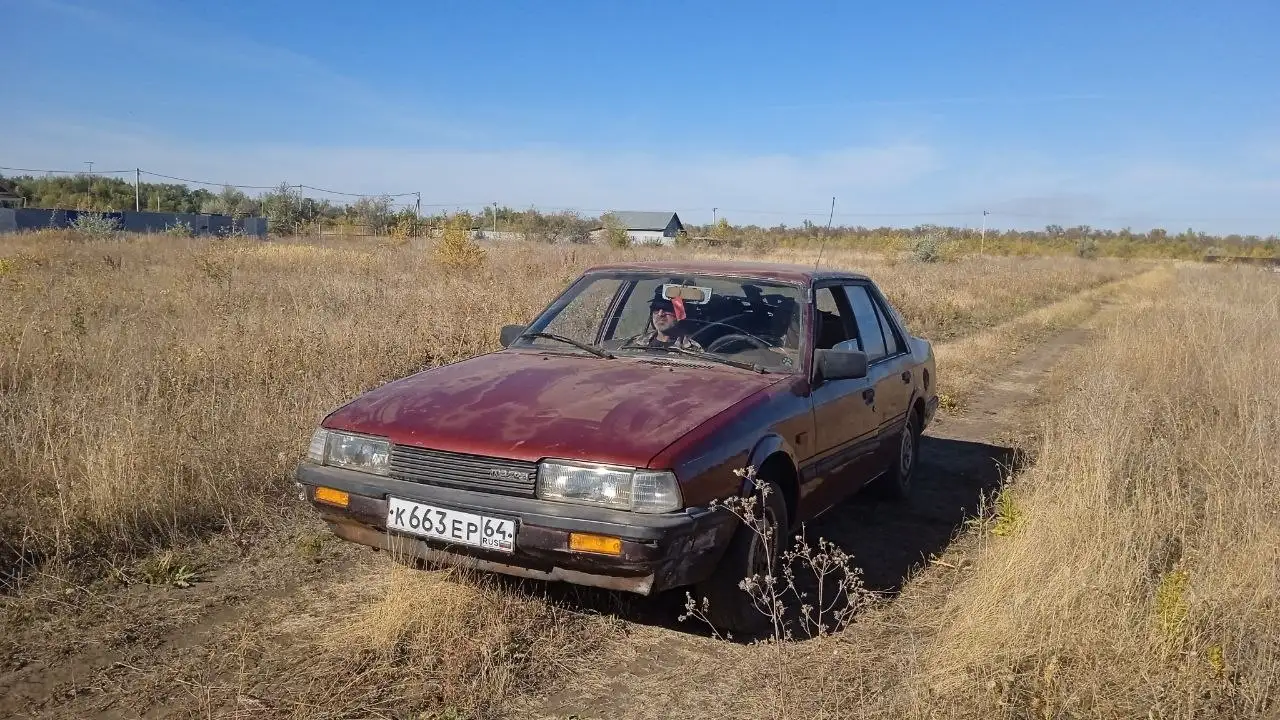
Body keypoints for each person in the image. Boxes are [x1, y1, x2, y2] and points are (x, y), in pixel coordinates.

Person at [622, 293, 704, 350]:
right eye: (656, 309)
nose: (660, 314)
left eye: (667, 309)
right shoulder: (634, 344)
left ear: (680, 313)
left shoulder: (692, 351)